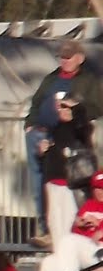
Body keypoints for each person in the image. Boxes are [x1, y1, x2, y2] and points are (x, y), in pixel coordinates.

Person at [25, 42, 103, 246]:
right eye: (62, 57)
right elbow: (36, 102)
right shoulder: (51, 78)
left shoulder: (88, 80)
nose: (65, 61)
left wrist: (75, 112)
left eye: (69, 57)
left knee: (72, 210)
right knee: (44, 193)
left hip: (75, 152)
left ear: (80, 58)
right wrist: (31, 124)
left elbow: (96, 107)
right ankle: (47, 231)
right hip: (49, 143)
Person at [35, 92, 96, 246]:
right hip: (53, 180)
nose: (62, 109)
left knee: (69, 221)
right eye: (60, 106)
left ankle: (70, 256)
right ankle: (59, 255)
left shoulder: (80, 128)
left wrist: (76, 108)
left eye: (66, 106)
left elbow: (83, 130)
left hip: (70, 183)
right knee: (54, 222)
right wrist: (44, 153)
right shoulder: (55, 128)